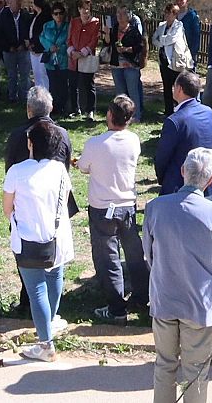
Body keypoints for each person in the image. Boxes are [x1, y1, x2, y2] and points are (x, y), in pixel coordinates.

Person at [146, 148, 212, 403]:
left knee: (164, 365)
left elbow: (149, 255)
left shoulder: (155, 208)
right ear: (210, 180)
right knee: (196, 371)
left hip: (164, 296)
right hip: (200, 302)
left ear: (183, 171)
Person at [3, 120, 76, 363]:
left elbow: (6, 208)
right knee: (55, 279)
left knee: (36, 290)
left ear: (31, 144)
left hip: (27, 239)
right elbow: (65, 199)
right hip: (57, 238)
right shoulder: (60, 170)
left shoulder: (16, 171)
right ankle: (49, 324)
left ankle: (46, 344)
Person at [77, 94, 149, 323]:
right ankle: (142, 296)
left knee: (108, 257)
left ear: (109, 115)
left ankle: (117, 309)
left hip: (102, 207)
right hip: (127, 205)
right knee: (134, 253)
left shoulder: (95, 143)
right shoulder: (134, 141)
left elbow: (83, 167)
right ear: (129, 118)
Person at [155, 71, 212, 196]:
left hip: (179, 187)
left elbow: (162, 157)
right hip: (207, 184)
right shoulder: (208, 112)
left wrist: (164, 179)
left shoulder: (175, 121)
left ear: (179, 89)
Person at [153, 2, 195, 118]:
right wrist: (162, 41)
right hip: (163, 61)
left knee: (179, 87)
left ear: (175, 14)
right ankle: (168, 112)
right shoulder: (162, 25)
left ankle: (179, 111)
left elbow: (171, 39)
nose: (166, 15)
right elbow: (154, 39)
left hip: (176, 61)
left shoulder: (179, 25)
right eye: (165, 12)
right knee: (166, 87)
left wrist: (161, 41)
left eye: (169, 13)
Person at [0, 0, 31, 107]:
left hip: (23, 49)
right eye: (16, 3)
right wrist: (9, 47)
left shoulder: (25, 14)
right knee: (12, 74)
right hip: (9, 50)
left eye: (19, 3)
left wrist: (23, 45)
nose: (18, 5)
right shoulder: (3, 16)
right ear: (9, 4)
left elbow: (28, 31)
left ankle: (25, 97)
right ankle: (12, 96)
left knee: (25, 74)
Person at [111, 4, 148, 121]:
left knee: (133, 91)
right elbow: (108, 43)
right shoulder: (114, 28)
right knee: (120, 92)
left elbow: (140, 46)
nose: (120, 16)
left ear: (128, 16)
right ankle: (121, 115)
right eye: (118, 13)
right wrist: (107, 34)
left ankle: (136, 116)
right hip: (116, 64)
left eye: (122, 14)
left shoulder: (133, 30)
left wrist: (126, 49)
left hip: (131, 65)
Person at [67, 0, 102, 119]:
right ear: (79, 9)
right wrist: (72, 51)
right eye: (83, 8)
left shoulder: (95, 22)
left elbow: (94, 40)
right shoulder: (75, 21)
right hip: (74, 58)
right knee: (73, 85)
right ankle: (75, 110)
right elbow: (69, 39)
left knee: (88, 85)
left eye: (88, 9)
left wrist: (83, 53)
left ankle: (90, 111)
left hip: (86, 58)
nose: (86, 11)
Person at [39, 2, 72, 113]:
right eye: (56, 13)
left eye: (60, 13)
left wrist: (60, 48)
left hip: (63, 60)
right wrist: (49, 47)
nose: (58, 16)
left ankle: (63, 107)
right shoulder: (47, 26)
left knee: (63, 84)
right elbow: (42, 38)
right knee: (52, 84)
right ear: (52, 15)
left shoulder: (68, 27)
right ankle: (54, 108)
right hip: (50, 61)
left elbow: (70, 41)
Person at [28, 0, 51, 90]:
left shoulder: (45, 17)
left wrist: (33, 42)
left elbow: (41, 34)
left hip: (41, 49)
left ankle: (46, 96)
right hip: (33, 49)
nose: (31, 4)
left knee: (43, 74)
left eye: (33, 2)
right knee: (37, 74)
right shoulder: (35, 15)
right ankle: (39, 98)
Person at [176, 0, 203, 76]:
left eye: (181, 0)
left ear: (187, 1)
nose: (179, 2)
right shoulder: (173, 15)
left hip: (188, 52)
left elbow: (196, 36)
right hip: (175, 54)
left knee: (188, 80)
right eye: (177, 0)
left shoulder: (192, 16)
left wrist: (192, 53)